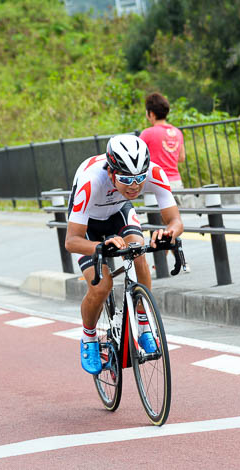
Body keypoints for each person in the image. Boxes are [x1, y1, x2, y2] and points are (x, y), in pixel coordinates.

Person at [64, 135, 183, 375]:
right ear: (110, 173)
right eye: (126, 180)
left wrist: (168, 233)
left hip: (118, 213)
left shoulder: (154, 172)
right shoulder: (91, 182)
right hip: (87, 227)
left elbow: (175, 220)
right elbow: (71, 241)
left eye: (140, 179)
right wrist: (100, 246)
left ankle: (143, 322)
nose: (134, 186)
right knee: (102, 285)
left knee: (138, 252)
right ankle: (89, 337)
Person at [140, 93, 185, 190]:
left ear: (151, 114)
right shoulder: (177, 132)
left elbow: (137, 157)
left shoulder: (147, 133)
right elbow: (181, 158)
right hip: (177, 182)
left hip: (156, 182)